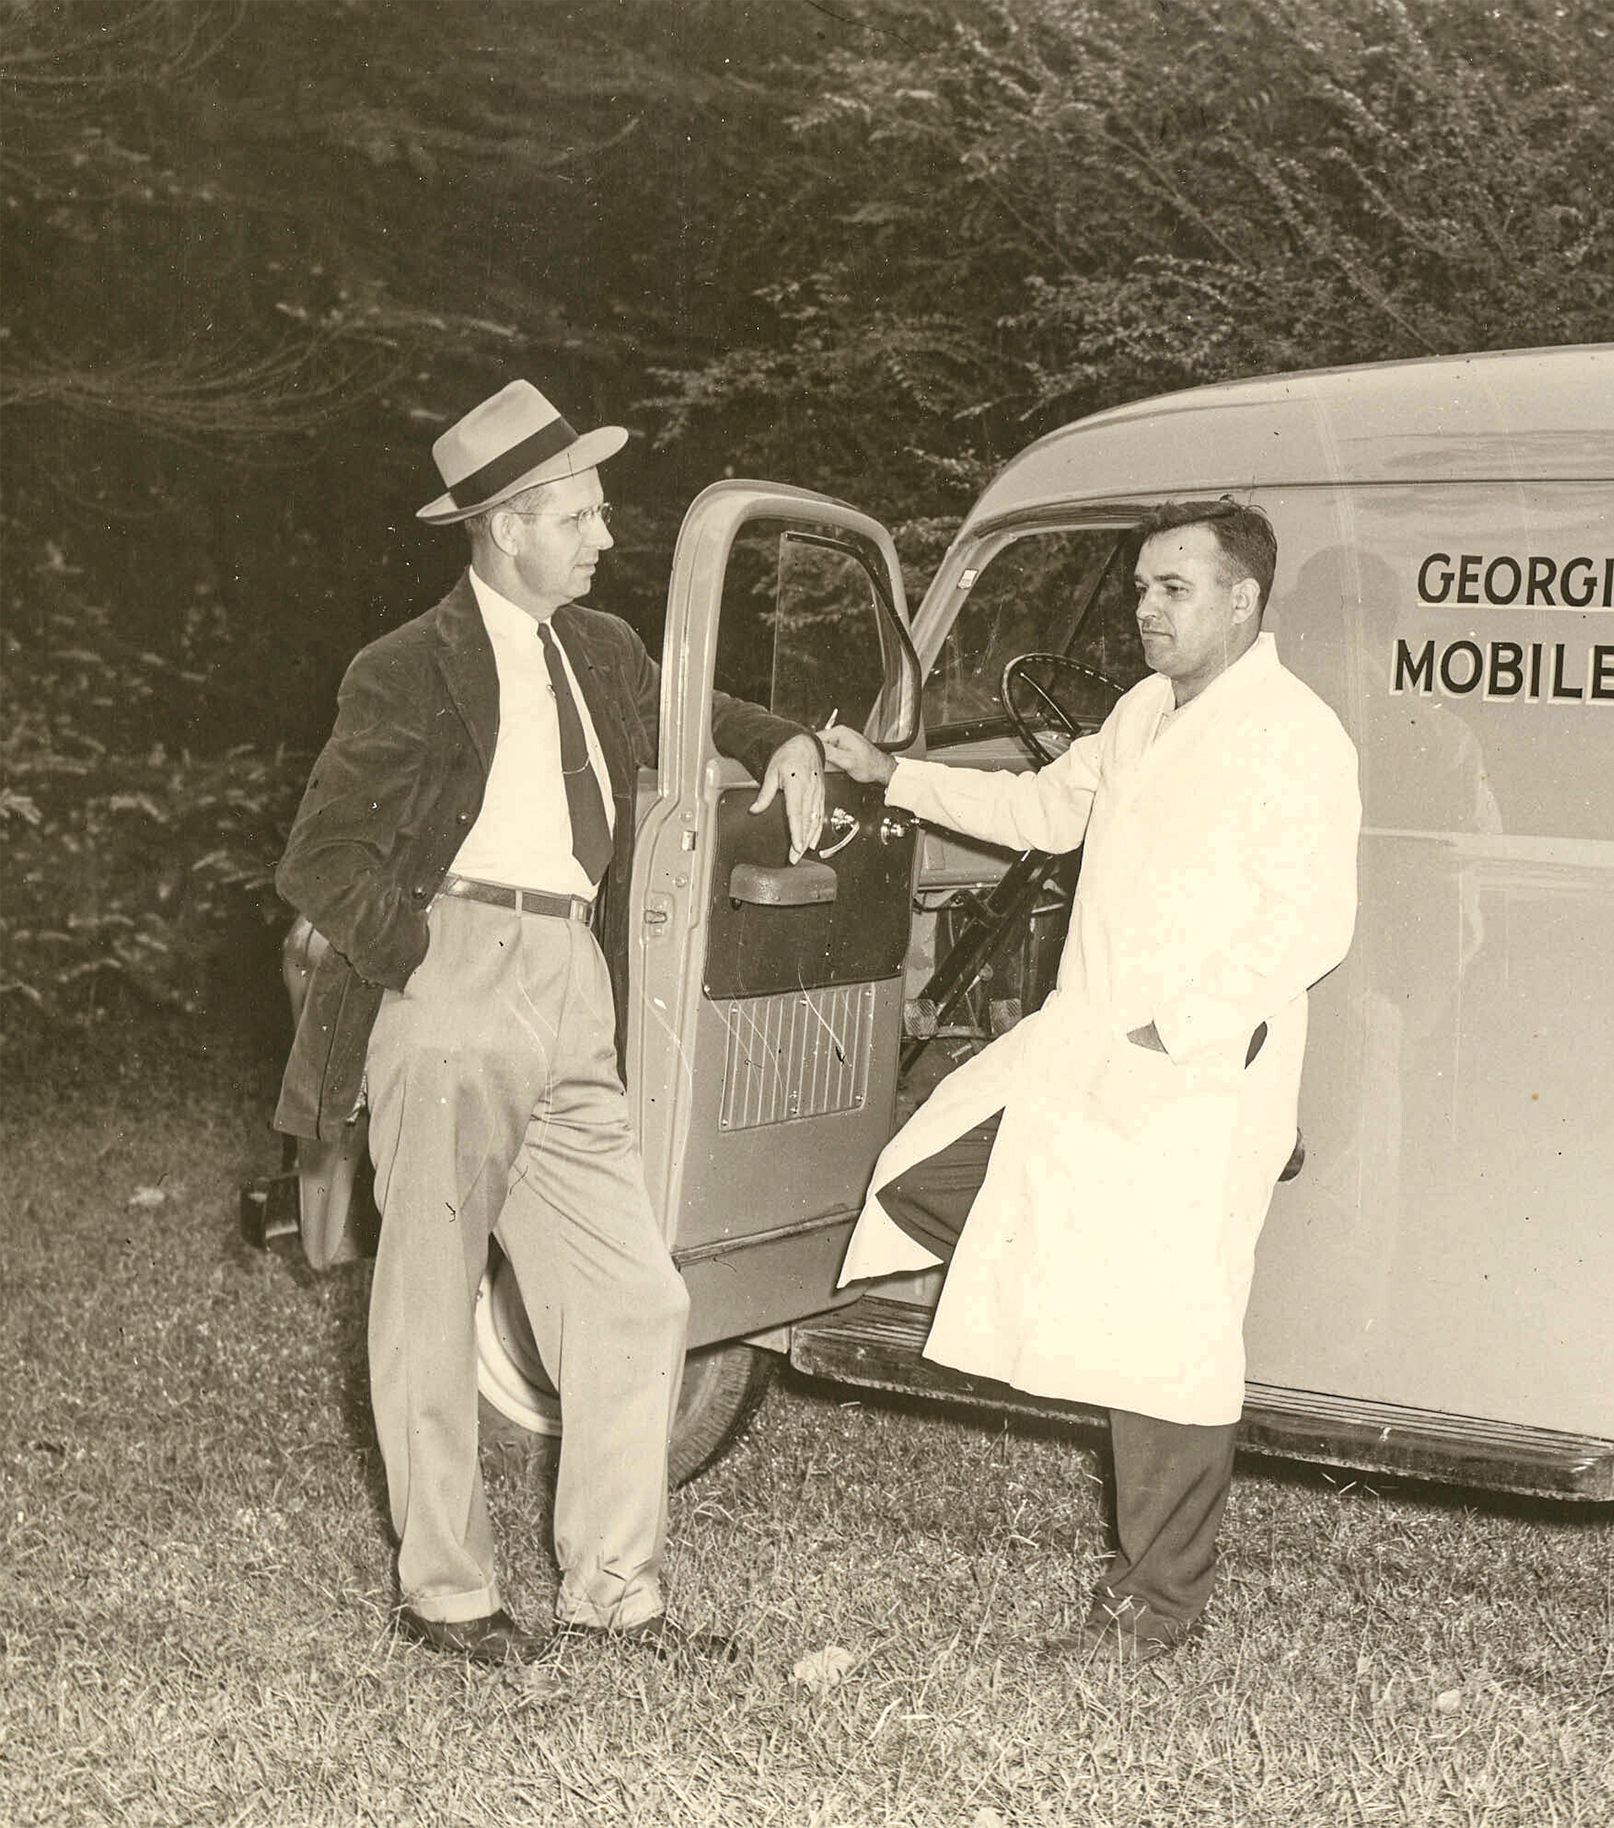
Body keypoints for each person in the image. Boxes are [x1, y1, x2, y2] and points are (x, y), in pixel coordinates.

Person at [273, 380, 828, 1665]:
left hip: (576, 980)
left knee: (635, 1295)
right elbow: (320, 858)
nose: (600, 538)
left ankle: (615, 1590)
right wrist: (424, 958)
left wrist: (791, 738)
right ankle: (448, 1594)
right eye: (577, 517)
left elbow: (702, 726)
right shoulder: (407, 666)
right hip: (457, 972)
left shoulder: (605, 650)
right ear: (506, 526)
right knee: (429, 1291)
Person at [824, 498, 1361, 1658]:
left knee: (1168, 1338)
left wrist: (1184, 1031)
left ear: (1240, 599)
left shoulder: (1292, 732)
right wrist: (892, 775)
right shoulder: (1139, 712)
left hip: (1196, 1080)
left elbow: (1309, 920)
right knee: (918, 1176)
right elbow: (1039, 810)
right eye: (1137, 590)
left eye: (1171, 589)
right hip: (1088, 1050)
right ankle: (1055, 1315)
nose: (1144, 610)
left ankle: (1154, 1609)